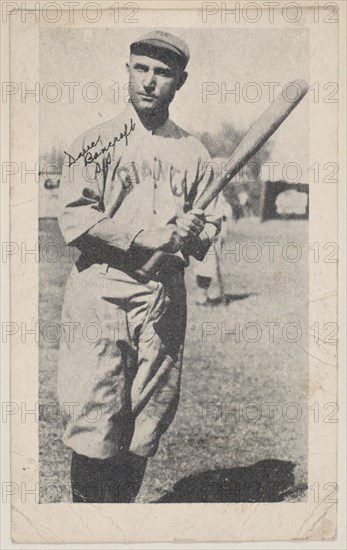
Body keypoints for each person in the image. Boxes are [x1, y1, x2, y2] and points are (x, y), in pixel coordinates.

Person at [57, 30, 221, 503]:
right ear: (127, 71)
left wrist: (195, 234)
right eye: (142, 69)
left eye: (163, 73)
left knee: (146, 413)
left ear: (180, 82)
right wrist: (148, 235)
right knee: (95, 410)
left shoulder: (194, 152)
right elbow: (76, 216)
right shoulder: (94, 143)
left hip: (163, 295)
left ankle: (121, 521)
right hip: (101, 289)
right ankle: (88, 525)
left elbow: (212, 225)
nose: (150, 82)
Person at [193, 192, 232, 305]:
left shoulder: (222, 194)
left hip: (219, 230)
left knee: (211, 265)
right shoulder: (208, 190)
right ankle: (201, 296)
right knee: (206, 265)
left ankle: (203, 295)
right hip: (209, 232)